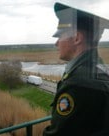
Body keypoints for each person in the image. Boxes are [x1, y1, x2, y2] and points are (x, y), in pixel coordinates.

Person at [43, 2, 109, 136]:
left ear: (77, 38)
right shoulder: (100, 69)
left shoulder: (78, 83)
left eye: (60, 36)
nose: (56, 43)